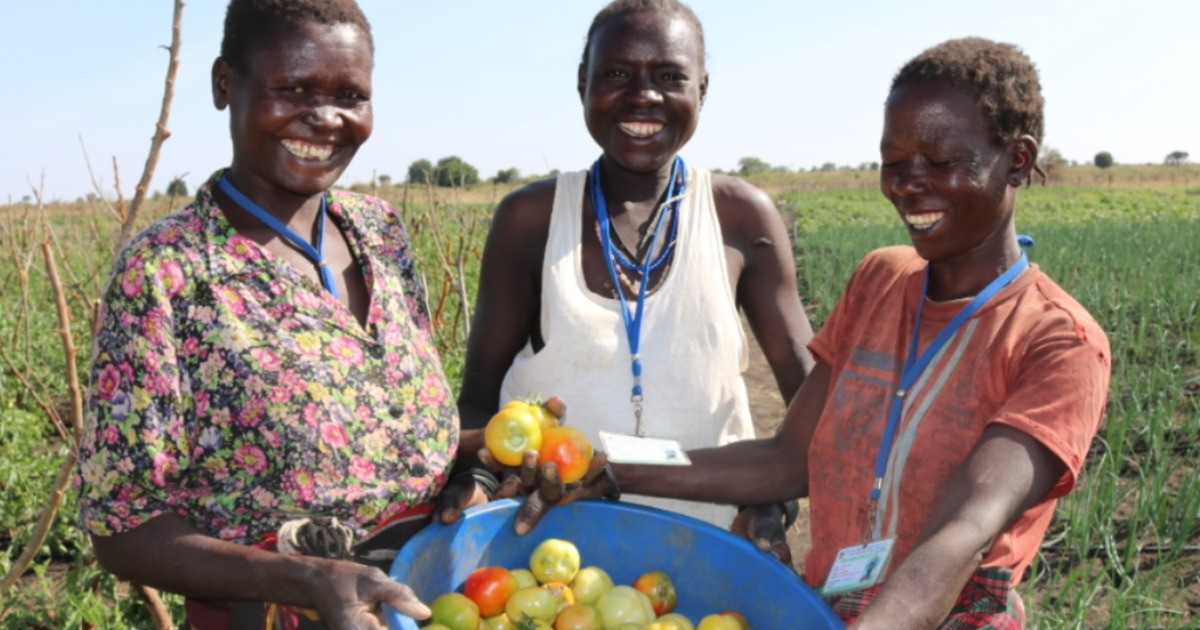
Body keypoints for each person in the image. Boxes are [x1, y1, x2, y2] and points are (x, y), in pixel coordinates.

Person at [514, 37, 1111, 629]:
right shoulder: (881, 279)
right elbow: (788, 458)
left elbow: (965, 531)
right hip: (824, 605)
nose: (908, 184)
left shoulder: (1058, 342)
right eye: (894, 162)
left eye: (941, 161)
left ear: (1018, 158)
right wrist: (610, 472)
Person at [73, 2, 487, 628]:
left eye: (351, 95)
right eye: (292, 89)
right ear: (224, 84)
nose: (325, 119)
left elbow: (377, 437)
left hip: (431, 599)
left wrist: (477, 462)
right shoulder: (168, 270)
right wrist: (308, 578)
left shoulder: (380, 231)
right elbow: (123, 526)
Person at [458, 0, 815, 532]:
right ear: (583, 84)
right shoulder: (531, 220)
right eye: (618, 73)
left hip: (710, 537)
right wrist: (480, 474)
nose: (644, 96)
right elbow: (478, 404)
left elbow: (816, 407)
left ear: (702, 91)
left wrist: (772, 497)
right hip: (550, 541)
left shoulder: (740, 216)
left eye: (670, 76)